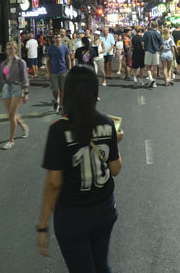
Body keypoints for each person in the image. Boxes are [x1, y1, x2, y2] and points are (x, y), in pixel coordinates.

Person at [36, 67, 123, 272]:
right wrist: (115, 143)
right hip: (104, 207)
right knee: (101, 265)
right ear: (95, 93)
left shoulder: (59, 129)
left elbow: (53, 183)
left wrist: (42, 226)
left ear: (68, 92)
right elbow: (116, 169)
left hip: (72, 213)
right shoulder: (107, 123)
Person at [0, 41, 30, 150]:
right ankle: (24, 126)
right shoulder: (4, 64)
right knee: (12, 115)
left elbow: (25, 78)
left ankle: (11, 140)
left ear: (16, 49)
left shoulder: (21, 62)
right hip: (6, 88)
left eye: (12, 48)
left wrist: (26, 93)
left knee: (11, 113)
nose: (9, 50)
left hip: (17, 88)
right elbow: (2, 79)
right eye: (8, 48)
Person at [45, 34, 72, 114]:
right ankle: (57, 100)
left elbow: (68, 59)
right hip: (54, 72)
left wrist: (69, 69)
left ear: (61, 39)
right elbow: (48, 62)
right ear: (53, 39)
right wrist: (48, 73)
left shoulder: (64, 47)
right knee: (55, 89)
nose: (57, 38)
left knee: (62, 89)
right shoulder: (50, 48)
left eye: (59, 37)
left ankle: (61, 105)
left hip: (63, 71)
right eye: (56, 37)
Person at [143, 22, 162, 88]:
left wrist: (145, 48)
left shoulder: (146, 33)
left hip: (148, 51)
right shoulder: (158, 33)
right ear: (157, 26)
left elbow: (143, 42)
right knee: (155, 68)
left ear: (151, 26)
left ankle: (150, 77)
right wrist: (158, 49)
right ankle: (154, 82)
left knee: (147, 66)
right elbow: (161, 43)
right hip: (156, 52)